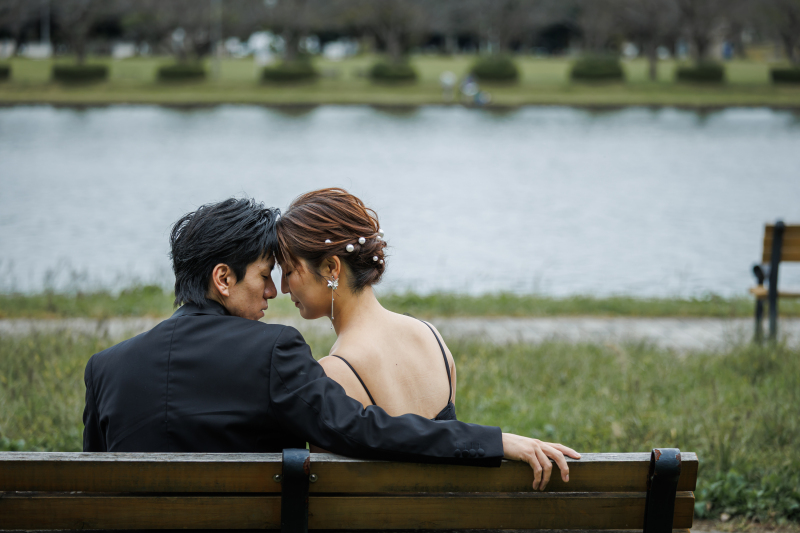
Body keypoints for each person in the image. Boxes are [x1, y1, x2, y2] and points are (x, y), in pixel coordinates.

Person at [83, 198, 578, 491]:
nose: (275, 292)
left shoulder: (105, 369)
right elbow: (365, 431)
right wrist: (495, 441)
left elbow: (94, 491)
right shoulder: (272, 352)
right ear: (223, 278)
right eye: (264, 276)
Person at [275, 188, 580, 485]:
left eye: (289, 271)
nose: (284, 288)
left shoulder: (334, 372)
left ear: (331, 267)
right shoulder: (430, 336)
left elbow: (334, 492)